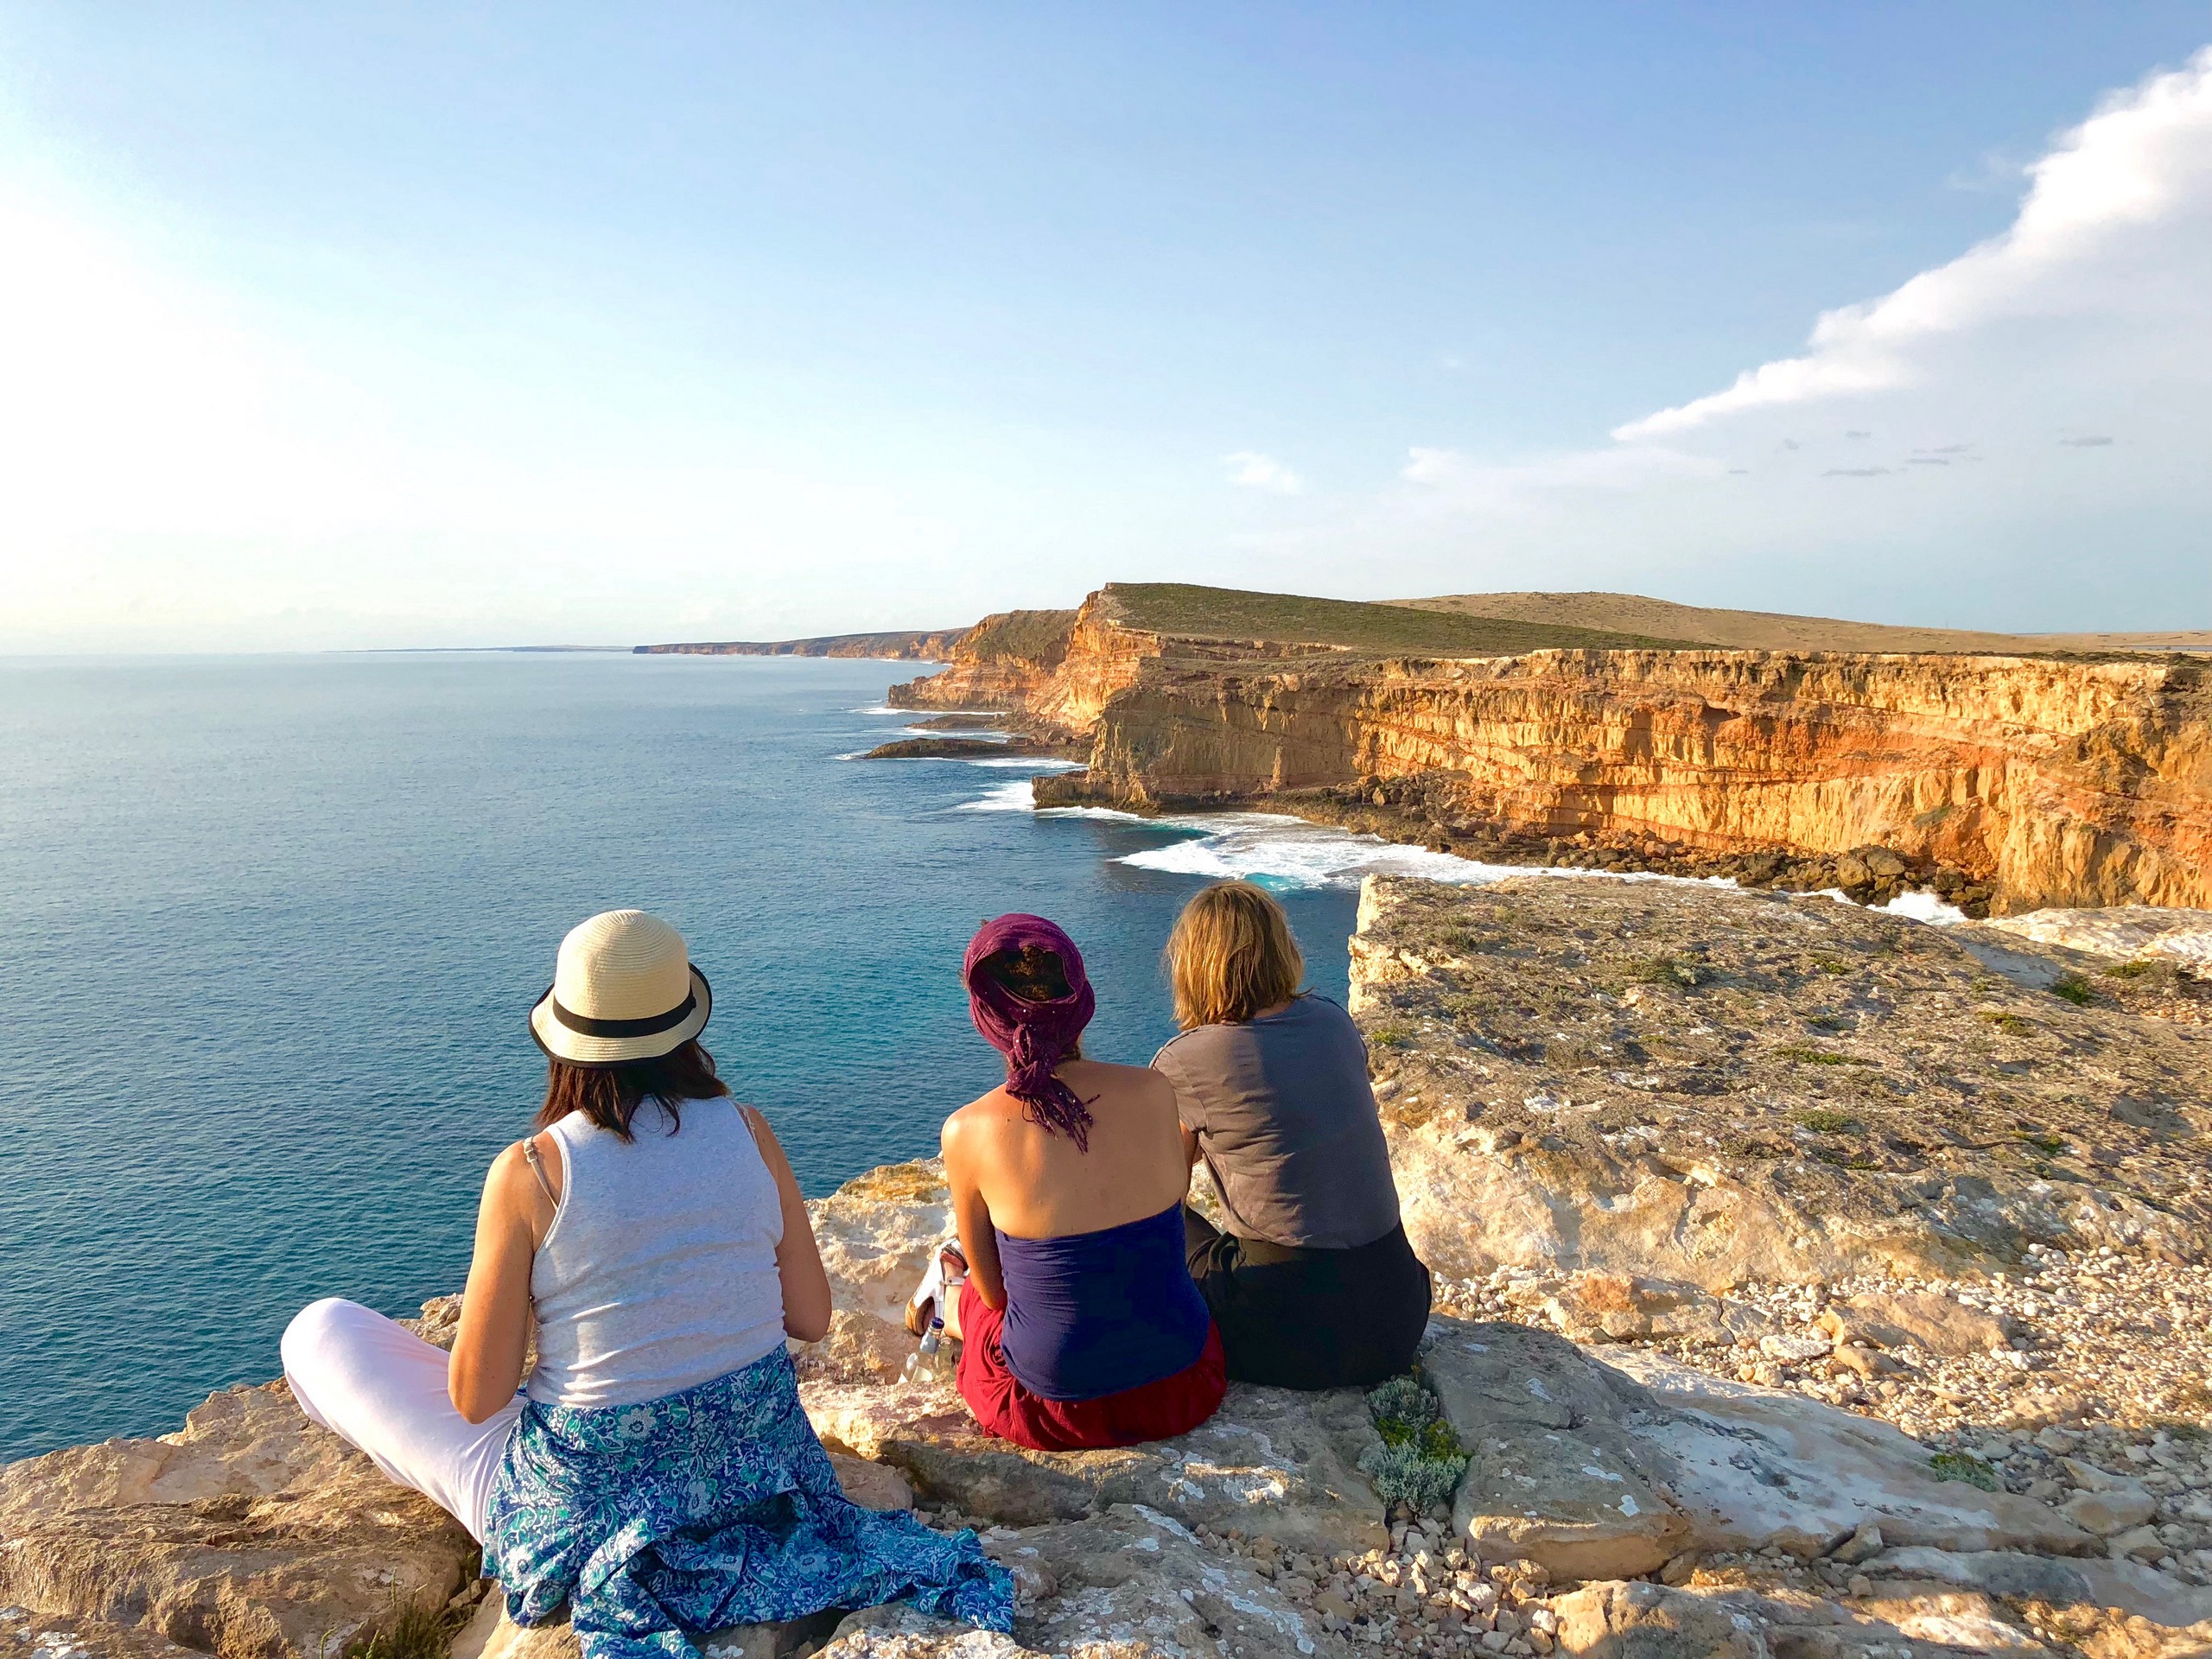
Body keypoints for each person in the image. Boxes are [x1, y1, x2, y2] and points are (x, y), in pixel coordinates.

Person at [281, 909, 1009, 1659]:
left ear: (565, 1039)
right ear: (685, 1027)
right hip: (762, 1478)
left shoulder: (532, 1171)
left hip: (595, 1512)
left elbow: (476, 1399)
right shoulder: (750, 1130)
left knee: (320, 1329)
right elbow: (812, 1315)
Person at [930, 913, 1225, 1452]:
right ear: (1082, 1005)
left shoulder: (967, 1130)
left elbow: (997, 1295)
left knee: (974, 1297)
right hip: (1181, 1379)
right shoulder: (1156, 1092)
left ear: (987, 1019)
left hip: (1056, 1404)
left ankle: (942, 1306)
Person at [1153, 881, 1431, 1389]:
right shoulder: (1335, 1021)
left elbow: (1160, 1189)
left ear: (1193, 967)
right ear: (1282, 950)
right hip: (1398, 1314)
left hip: (1287, 1333)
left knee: (1152, 1218)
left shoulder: (1185, 1060)